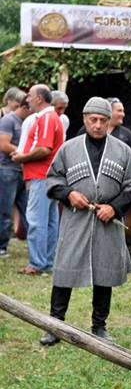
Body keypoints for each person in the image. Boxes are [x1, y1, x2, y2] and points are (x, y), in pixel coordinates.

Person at [38, 98, 131, 345]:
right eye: (93, 120)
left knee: (105, 272)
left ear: (109, 122)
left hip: (107, 219)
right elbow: (53, 180)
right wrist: (69, 194)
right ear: (85, 119)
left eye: (103, 120)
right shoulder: (68, 149)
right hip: (76, 219)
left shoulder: (122, 150)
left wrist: (114, 208)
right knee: (64, 270)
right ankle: (55, 326)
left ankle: (99, 326)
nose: (97, 125)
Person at [11, 84, 65, 275]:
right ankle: (47, 262)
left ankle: (37, 263)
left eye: (30, 96)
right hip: (48, 177)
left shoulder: (46, 118)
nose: (27, 99)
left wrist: (22, 157)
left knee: (36, 220)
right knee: (49, 221)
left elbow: (44, 149)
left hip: (41, 176)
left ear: (39, 99)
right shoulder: (51, 117)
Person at [0, 96, 30, 258]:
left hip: (21, 171)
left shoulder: (25, 122)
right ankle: (2, 247)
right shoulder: (8, 120)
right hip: (7, 170)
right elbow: (3, 144)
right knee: (4, 211)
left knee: (28, 210)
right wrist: (25, 153)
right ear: (25, 108)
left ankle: (33, 246)